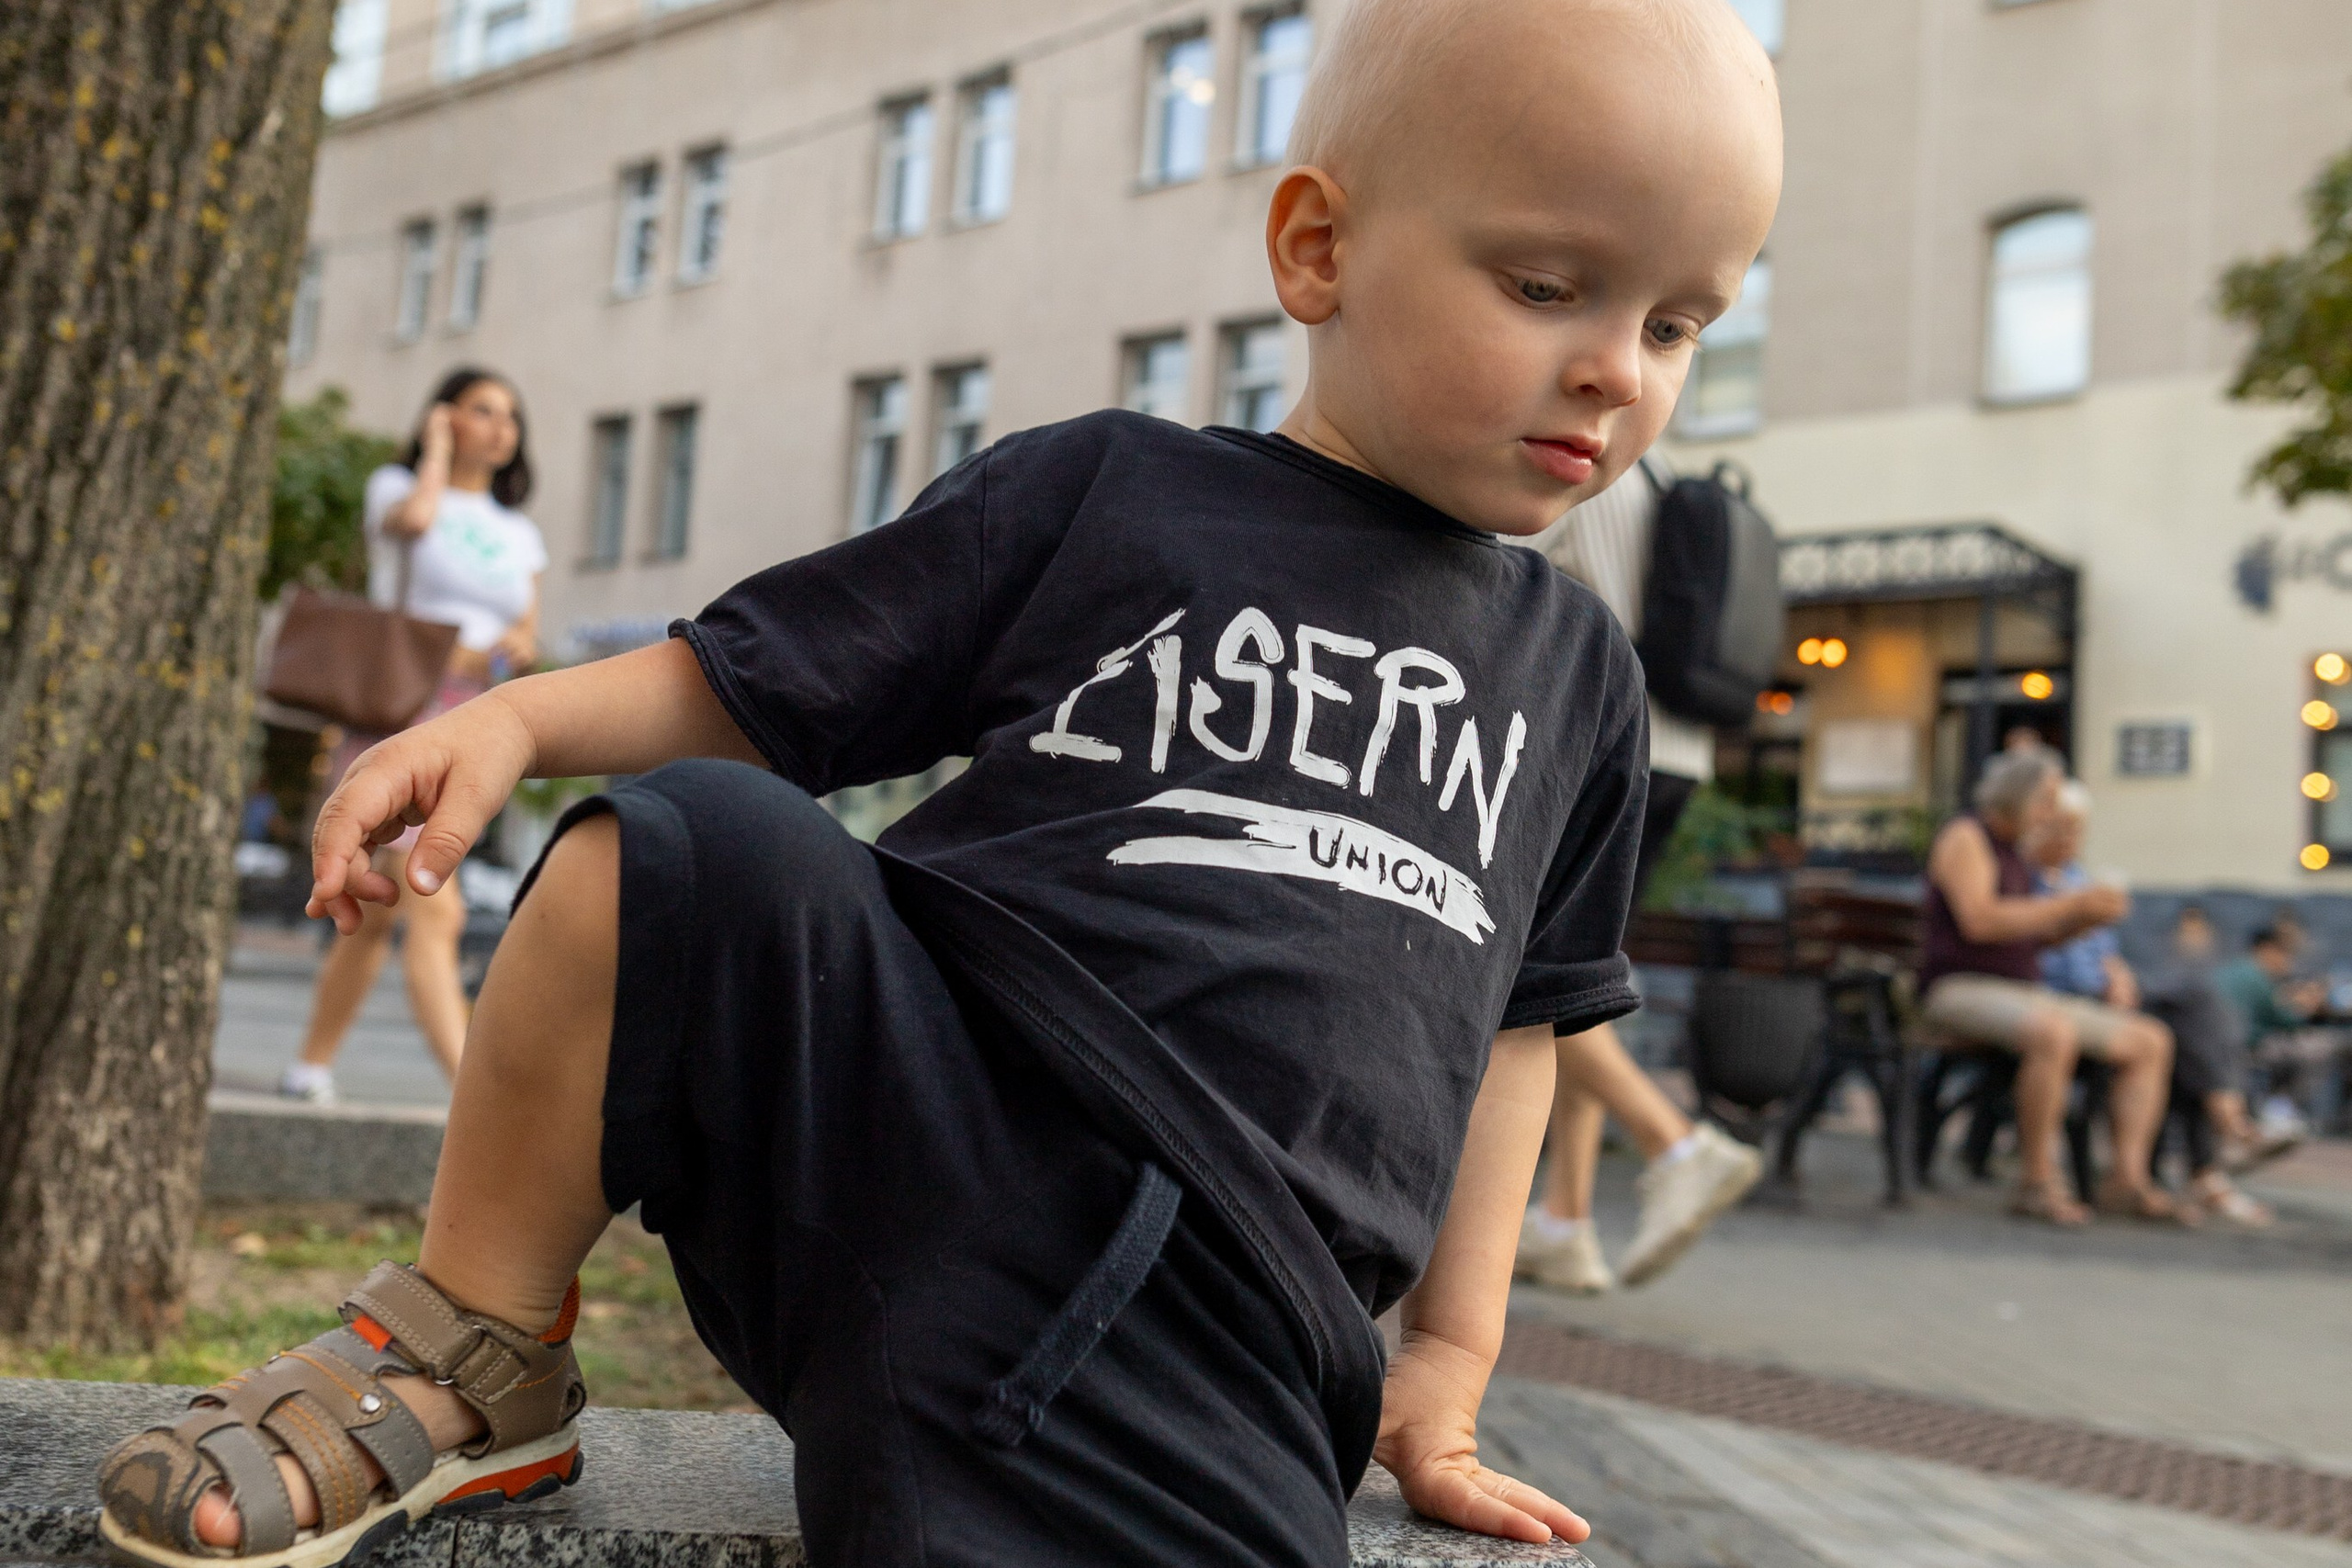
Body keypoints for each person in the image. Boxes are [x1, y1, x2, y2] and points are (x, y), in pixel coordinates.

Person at [97, 4, 1783, 1564]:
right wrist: (521, 721)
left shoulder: (1584, 681)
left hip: (1232, 1326)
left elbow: (1514, 1040)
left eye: (1679, 321)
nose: (1618, 370)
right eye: (1549, 287)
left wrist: (1449, 1362)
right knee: (689, 848)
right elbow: (760, 685)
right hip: (914, 1126)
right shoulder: (1110, 493)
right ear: (1318, 245)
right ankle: (472, 1341)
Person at [1512, 464, 1760, 1295]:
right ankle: (1566, 1221)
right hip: (1680, 754)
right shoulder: (1662, 483)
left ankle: (1675, 1143)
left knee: (1525, 972)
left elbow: (1486, 568)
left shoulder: (1574, 468)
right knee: (1575, 972)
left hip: (1599, 746)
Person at [276, 369, 547, 1102]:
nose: (500, 427)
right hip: (399, 712)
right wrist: (431, 452)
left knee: (371, 922)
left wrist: (509, 649)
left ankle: (310, 1064)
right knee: (437, 903)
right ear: (446, 417)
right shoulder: (395, 491)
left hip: (472, 713)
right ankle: (477, 1099)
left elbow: (525, 628)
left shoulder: (518, 531)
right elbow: (416, 524)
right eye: (482, 411)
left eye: (510, 417)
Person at [1919, 749, 2181, 1226]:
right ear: (2016, 796)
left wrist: (2083, 920)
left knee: (2150, 1040)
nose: (2049, 814)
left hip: (2022, 989)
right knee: (2052, 1032)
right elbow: (1979, 921)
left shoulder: (2021, 854)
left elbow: (2035, 933)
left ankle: (2127, 1178)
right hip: (1958, 987)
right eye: (2044, 801)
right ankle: (2036, 1182)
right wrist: (2070, 904)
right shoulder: (1966, 836)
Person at [2029, 792, 2280, 1226]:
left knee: (2190, 1028)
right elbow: (2032, 951)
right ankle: (2228, 1134)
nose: (2072, 840)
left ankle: (2197, 1163)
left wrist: (2119, 974)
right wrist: (2077, 914)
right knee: (2192, 1010)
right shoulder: (2027, 878)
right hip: (2060, 997)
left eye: (2077, 831)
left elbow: (2105, 952)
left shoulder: (2074, 876)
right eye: (2062, 829)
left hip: (2102, 996)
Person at [2217, 926, 2344, 1137]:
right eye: (2284, 954)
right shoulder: (2255, 974)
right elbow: (2286, 1021)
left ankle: (2274, 1107)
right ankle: (2279, 1108)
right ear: (2267, 949)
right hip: (2244, 1047)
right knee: (2319, 1049)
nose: (2286, 961)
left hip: (2229, 1044)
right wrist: (2305, 1005)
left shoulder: (2231, 968)